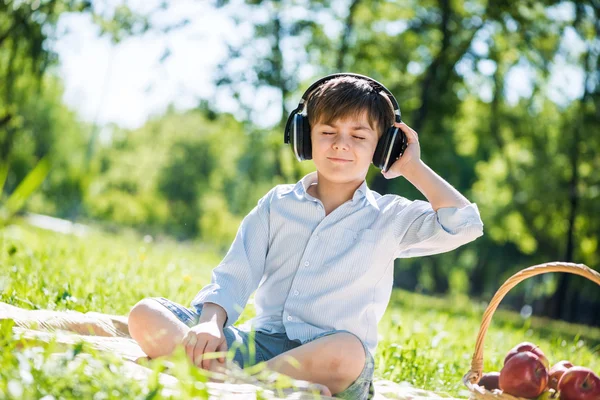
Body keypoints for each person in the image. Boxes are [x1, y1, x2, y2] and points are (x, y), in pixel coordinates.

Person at [127, 73, 484, 399]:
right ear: (304, 136)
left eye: (359, 137)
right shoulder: (276, 204)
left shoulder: (390, 217)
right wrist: (209, 323)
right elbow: (235, 274)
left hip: (327, 361)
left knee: (349, 351)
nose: (341, 144)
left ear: (382, 147)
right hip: (257, 346)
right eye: (327, 132)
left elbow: (465, 224)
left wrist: (411, 167)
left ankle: (231, 382)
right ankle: (257, 384)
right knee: (145, 314)